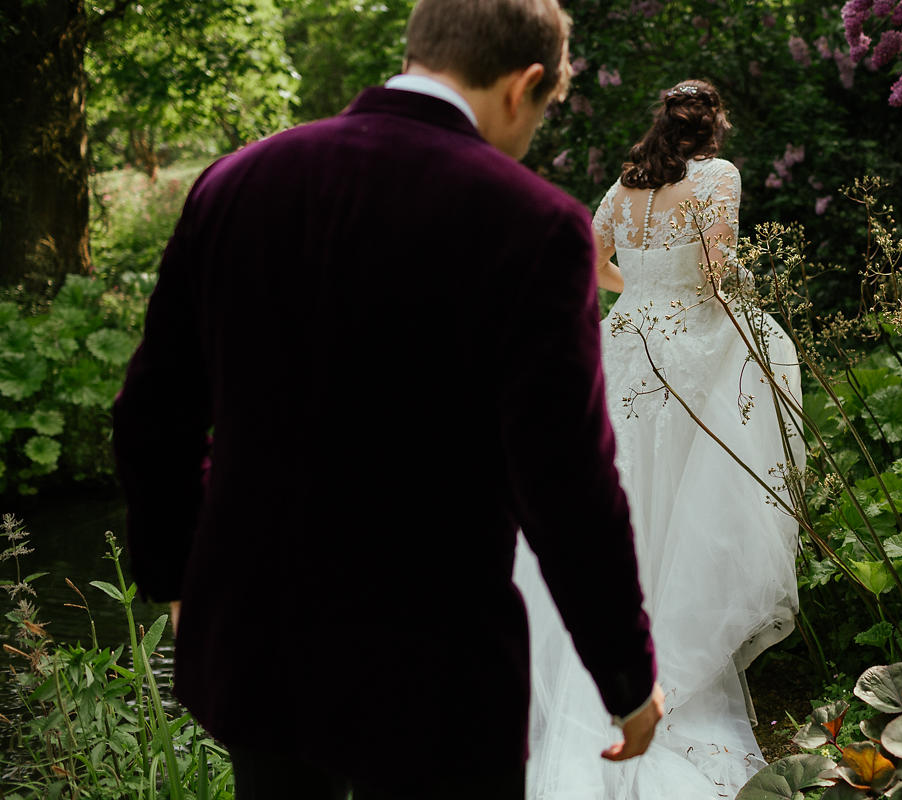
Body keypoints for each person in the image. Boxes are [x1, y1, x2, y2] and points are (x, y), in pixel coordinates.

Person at [111, 1, 664, 797]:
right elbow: (566, 485)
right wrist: (625, 673)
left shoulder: (235, 182)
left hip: (259, 643)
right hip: (436, 672)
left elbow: (152, 415)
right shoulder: (535, 225)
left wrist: (177, 579)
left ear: (416, 53)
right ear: (526, 85)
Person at [513, 80, 804, 799]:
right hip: (687, 352)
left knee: (616, 497)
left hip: (625, 346)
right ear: (714, 127)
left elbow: (590, 257)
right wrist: (750, 311)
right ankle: (665, 663)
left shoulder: (624, 186)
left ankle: (591, 655)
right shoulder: (718, 176)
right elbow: (715, 270)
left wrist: (638, 288)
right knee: (681, 501)